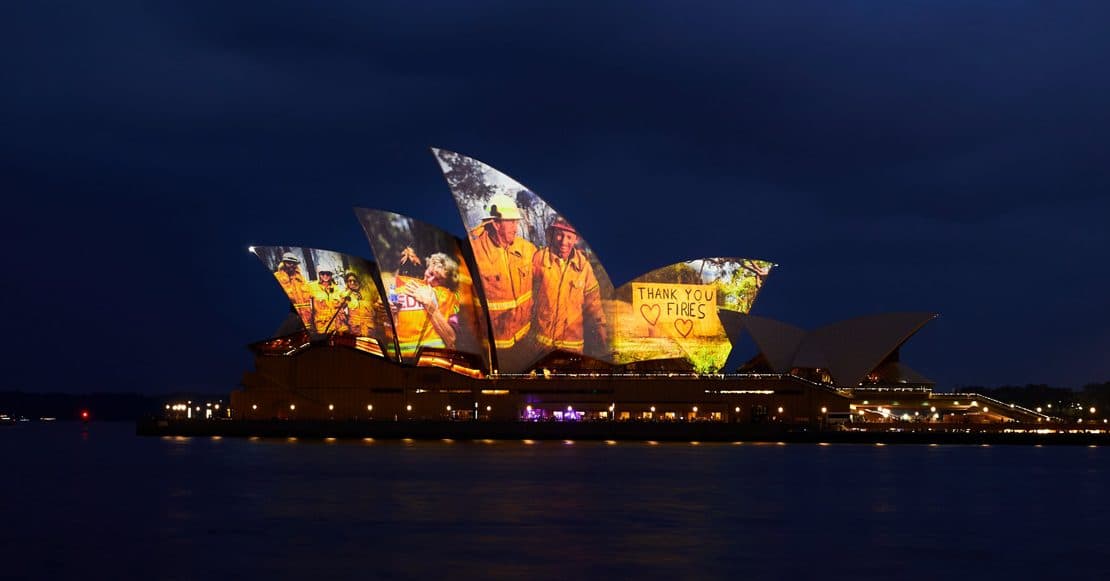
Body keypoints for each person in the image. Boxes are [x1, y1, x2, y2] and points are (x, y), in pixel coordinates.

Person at [468, 192, 537, 371]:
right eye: (512, 222)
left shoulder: (527, 249)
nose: (516, 227)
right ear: (496, 224)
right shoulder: (474, 252)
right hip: (494, 346)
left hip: (523, 338)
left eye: (516, 222)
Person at [532, 216, 607, 355]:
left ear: (576, 239)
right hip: (541, 347)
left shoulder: (584, 268)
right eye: (560, 235)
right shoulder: (539, 259)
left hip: (571, 347)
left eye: (569, 237)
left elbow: (594, 305)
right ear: (553, 234)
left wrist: (600, 331)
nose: (563, 242)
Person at [391, 250, 460, 360]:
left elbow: (451, 338)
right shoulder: (403, 286)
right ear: (427, 268)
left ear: (446, 284)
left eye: (438, 279)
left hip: (433, 361)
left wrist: (429, 304)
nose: (430, 280)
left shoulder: (449, 298)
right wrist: (392, 312)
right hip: (399, 358)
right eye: (430, 273)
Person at [273, 252, 313, 328]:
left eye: (294, 263)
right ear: (284, 263)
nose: (292, 265)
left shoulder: (301, 278)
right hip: (289, 319)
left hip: (305, 319)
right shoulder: (277, 277)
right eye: (289, 263)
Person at [309, 264, 347, 334]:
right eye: (323, 273)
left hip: (338, 326)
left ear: (331, 275)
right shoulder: (312, 287)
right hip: (322, 326)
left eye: (328, 274)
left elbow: (345, 303)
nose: (325, 276)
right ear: (319, 274)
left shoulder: (338, 289)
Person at [342, 271, 376, 337]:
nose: (352, 283)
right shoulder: (345, 295)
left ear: (358, 281)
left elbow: (378, 308)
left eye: (354, 281)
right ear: (347, 283)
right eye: (350, 281)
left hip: (370, 331)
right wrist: (346, 321)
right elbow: (338, 311)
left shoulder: (368, 293)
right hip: (354, 331)